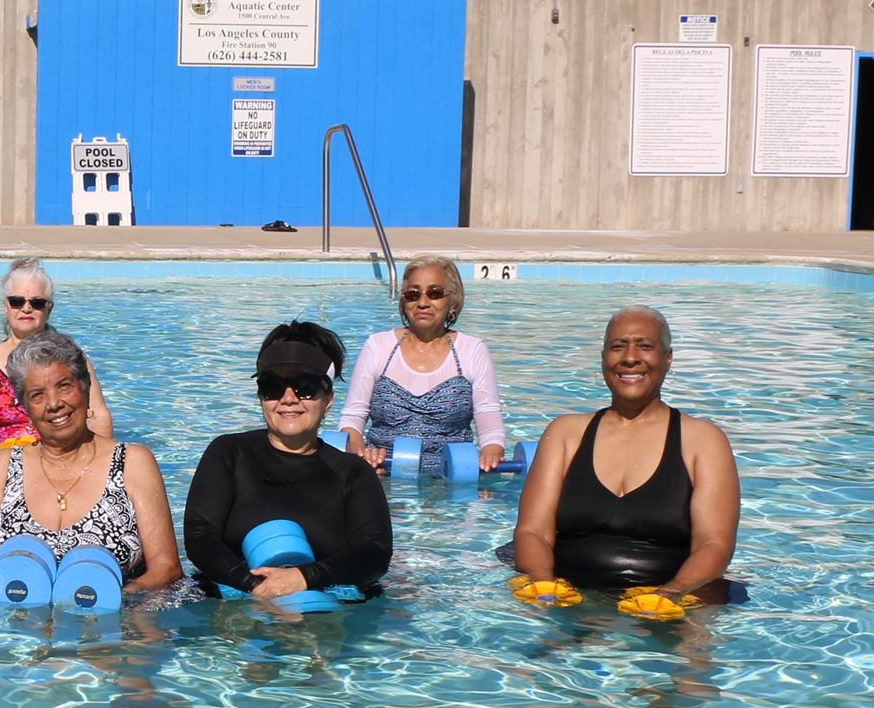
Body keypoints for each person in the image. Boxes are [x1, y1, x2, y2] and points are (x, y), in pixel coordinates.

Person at [511, 306, 740, 613]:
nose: (630, 358)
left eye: (645, 346)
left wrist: (669, 594)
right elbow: (532, 531)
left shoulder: (703, 440)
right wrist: (543, 583)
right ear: (604, 357)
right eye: (618, 346)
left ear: (668, 357)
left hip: (672, 597)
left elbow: (714, 544)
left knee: (692, 656)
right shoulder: (566, 433)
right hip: (570, 592)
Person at [0, 330, 181, 590]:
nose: (54, 404)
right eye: (37, 395)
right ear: (25, 407)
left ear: (85, 387)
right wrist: (4, 593)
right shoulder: (3, 466)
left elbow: (167, 567)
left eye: (64, 386)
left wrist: (112, 598)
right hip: (14, 620)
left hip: (113, 621)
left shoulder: (132, 462)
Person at [183, 321, 393, 601]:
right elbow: (199, 536)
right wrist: (253, 586)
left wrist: (304, 578)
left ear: (328, 399)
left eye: (305, 387)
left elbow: (375, 555)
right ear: (260, 396)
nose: (288, 399)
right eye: (273, 387)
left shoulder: (353, 474)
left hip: (324, 612)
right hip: (234, 609)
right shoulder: (229, 453)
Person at [339, 255, 507, 475]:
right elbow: (352, 418)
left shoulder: (472, 351)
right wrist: (362, 455)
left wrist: (491, 454)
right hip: (382, 473)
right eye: (412, 294)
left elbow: (491, 430)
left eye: (435, 293)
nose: (423, 302)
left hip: (451, 477)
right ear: (404, 301)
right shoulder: (378, 346)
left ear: (452, 301)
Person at [0, 258, 115, 448]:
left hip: (64, 455)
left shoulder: (70, 358)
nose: (26, 308)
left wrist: (99, 458)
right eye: (17, 301)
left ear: (48, 309)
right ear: (6, 306)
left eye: (37, 303)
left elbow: (98, 415)